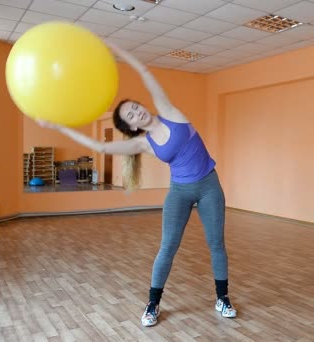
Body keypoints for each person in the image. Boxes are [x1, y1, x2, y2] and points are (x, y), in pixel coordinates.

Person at [35, 42, 237, 327]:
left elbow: (143, 71)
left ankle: (222, 297)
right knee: (168, 247)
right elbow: (98, 147)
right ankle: (153, 303)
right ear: (131, 127)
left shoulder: (170, 112)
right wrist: (58, 127)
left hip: (209, 186)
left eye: (135, 107)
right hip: (179, 192)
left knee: (216, 243)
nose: (137, 113)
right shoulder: (143, 143)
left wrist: (118, 51)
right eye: (131, 115)